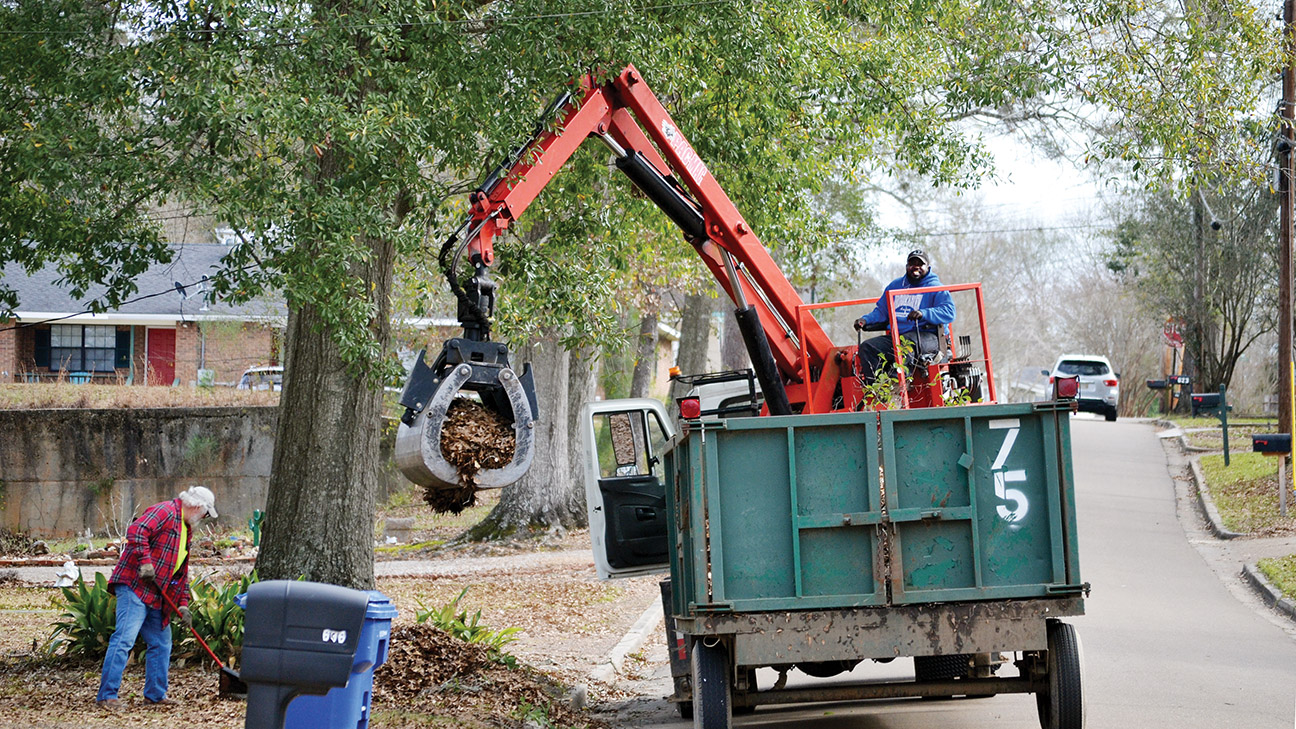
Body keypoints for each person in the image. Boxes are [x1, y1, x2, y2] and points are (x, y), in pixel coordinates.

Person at [95, 486, 218, 711]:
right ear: (197, 507)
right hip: (134, 586)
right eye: (206, 514)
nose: (204, 518)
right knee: (124, 640)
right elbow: (136, 530)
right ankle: (107, 696)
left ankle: (155, 695)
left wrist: (183, 605)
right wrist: (145, 562)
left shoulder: (185, 529)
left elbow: (180, 573)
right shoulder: (165, 511)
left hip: (156, 594)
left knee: (161, 643)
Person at [853, 249, 956, 384]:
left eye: (920, 264)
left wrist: (924, 313)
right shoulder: (895, 286)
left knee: (906, 343)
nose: (916, 267)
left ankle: (898, 384)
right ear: (907, 266)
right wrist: (865, 320)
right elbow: (882, 311)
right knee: (868, 347)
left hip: (929, 337)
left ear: (928, 267)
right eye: (912, 264)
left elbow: (949, 311)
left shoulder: (935, 287)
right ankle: (877, 388)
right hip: (899, 337)